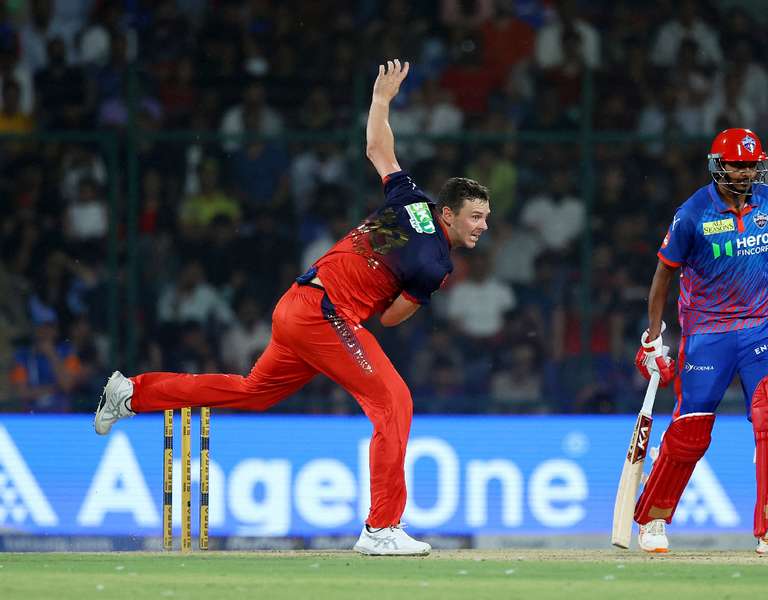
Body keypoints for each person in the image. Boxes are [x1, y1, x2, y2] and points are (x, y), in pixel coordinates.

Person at [94, 60, 491, 556]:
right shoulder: (436, 263)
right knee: (394, 403)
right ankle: (381, 529)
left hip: (296, 304)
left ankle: (130, 392)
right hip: (326, 314)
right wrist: (413, 295)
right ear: (449, 214)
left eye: (487, 218)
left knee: (252, 391)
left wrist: (382, 101)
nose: (482, 227)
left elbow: (377, 148)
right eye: (475, 217)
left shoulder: (410, 198)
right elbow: (390, 319)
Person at [632, 128, 768, 554]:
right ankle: (653, 519)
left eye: (751, 164)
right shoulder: (692, 214)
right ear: (718, 166)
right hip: (707, 334)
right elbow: (663, 275)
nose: (745, 172)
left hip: (762, 326)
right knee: (691, 433)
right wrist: (652, 338)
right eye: (737, 165)